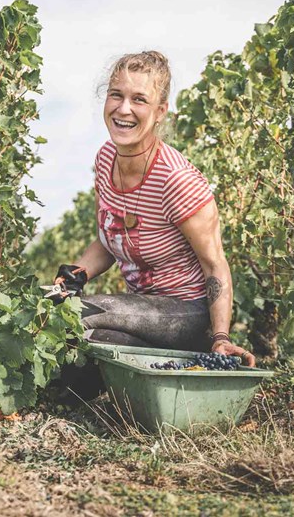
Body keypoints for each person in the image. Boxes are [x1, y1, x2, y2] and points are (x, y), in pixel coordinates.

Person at [53, 51, 255, 380]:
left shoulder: (176, 180)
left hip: (187, 314)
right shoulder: (105, 160)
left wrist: (221, 338)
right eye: (116, 95)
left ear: (160, 111)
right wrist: (72, 278)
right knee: (77, 342)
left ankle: (199, 353)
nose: (123, 109)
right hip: (142, 311)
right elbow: (108, 239)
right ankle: (155, 371)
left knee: (78, 312)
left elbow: (215, 264)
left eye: (139, 100)